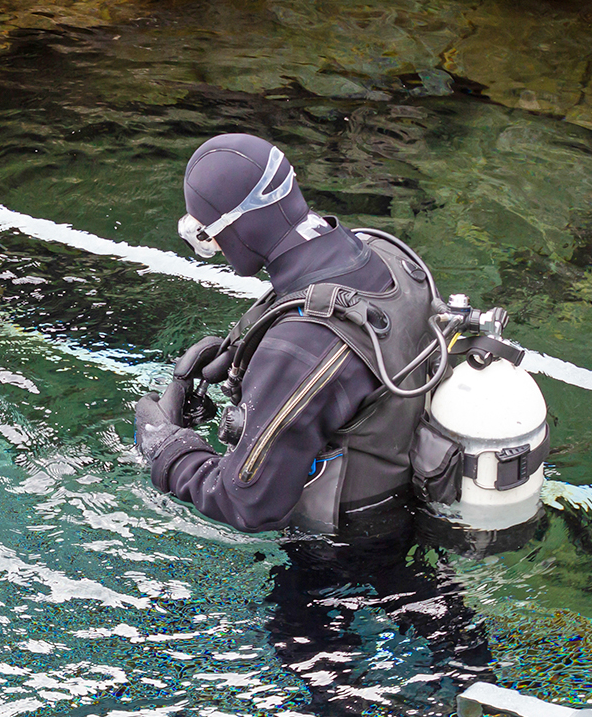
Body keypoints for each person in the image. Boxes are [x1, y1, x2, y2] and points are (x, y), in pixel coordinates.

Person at [134, 133, 445, 537]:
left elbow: (243, 504)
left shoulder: (303, 344)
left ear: (234, 227)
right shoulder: (380, 254)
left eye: (207, 235)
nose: (213, 246)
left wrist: (166, 448)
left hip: (349, 563)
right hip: (417, 502)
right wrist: (239, 352)